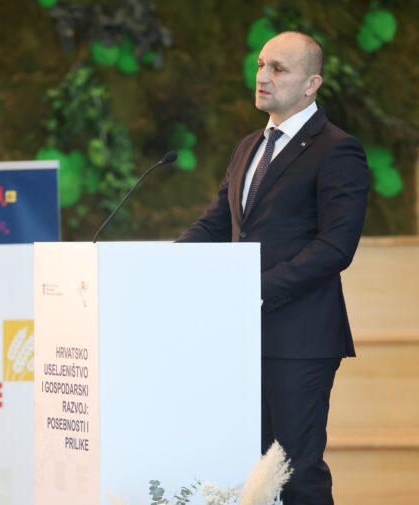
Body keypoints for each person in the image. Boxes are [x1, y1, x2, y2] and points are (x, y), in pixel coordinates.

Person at [176, 31, 369, 504]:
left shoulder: (337, 149)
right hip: (241, 338)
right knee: (250, 473)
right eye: (261, 65)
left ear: (311, 84)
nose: (262, 76)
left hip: (301, 338)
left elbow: (335, 246)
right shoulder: (249, 146)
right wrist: (161, 263)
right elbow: (216, 224)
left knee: (296, 472)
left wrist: (253, 289)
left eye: (278, 68)